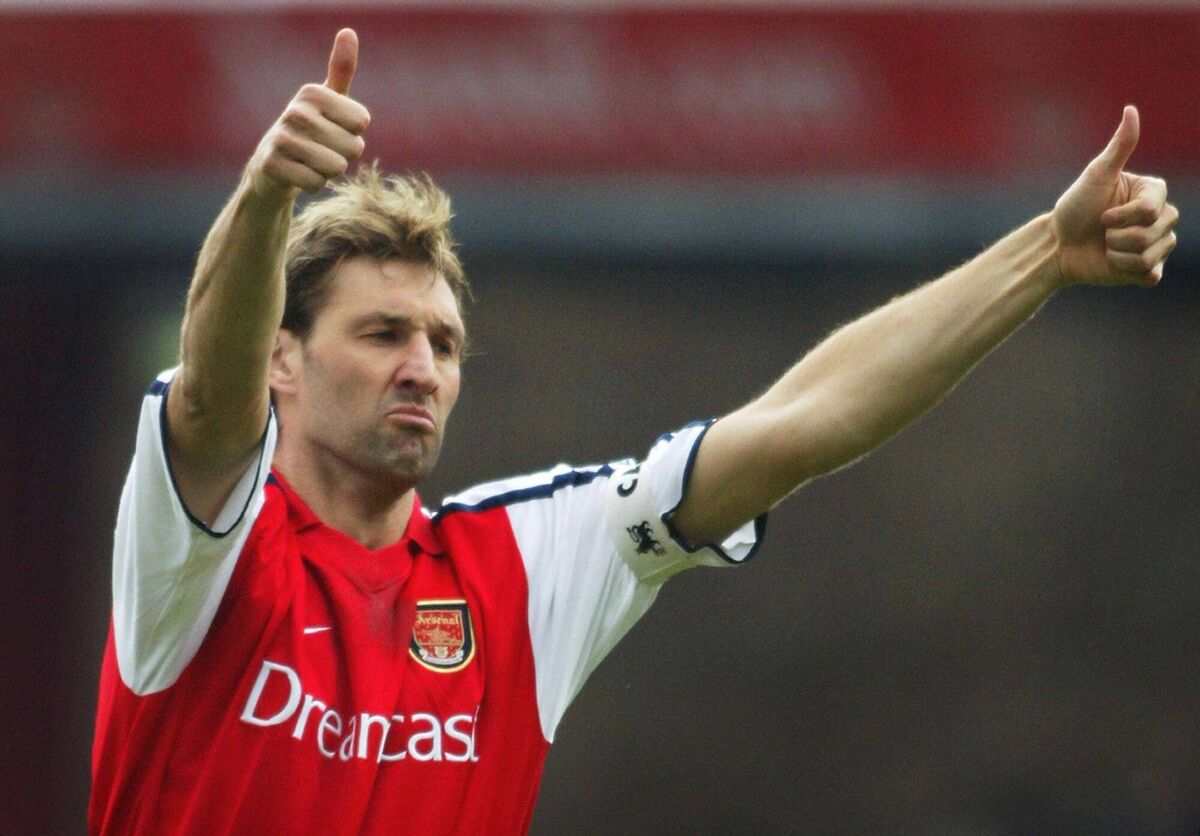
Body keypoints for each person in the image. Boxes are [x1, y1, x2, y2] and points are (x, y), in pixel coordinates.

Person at [89, 27, 1179, 835]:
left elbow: (799, 424)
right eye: (379, 333)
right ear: (285, 358)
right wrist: (268, 190)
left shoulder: (521, 560)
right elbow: (209, 401)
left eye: (444, 340)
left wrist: (1046, 253)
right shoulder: (202, 551)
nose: (420, 366)